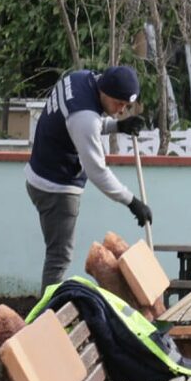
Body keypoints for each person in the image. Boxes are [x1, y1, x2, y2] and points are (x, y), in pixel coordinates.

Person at [25, 66, 151, 293]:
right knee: (59, 257)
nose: (121, 109)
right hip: (56, 187)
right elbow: (97, 171)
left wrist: (117, 126)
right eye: (118, 103)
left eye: (126, 105)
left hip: (41, 174)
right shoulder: (85, 118)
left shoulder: (80, 79)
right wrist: (132, 202)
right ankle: (46, 320)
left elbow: (80, 123)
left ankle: (49, 314)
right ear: (104, 90)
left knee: (57, 255)